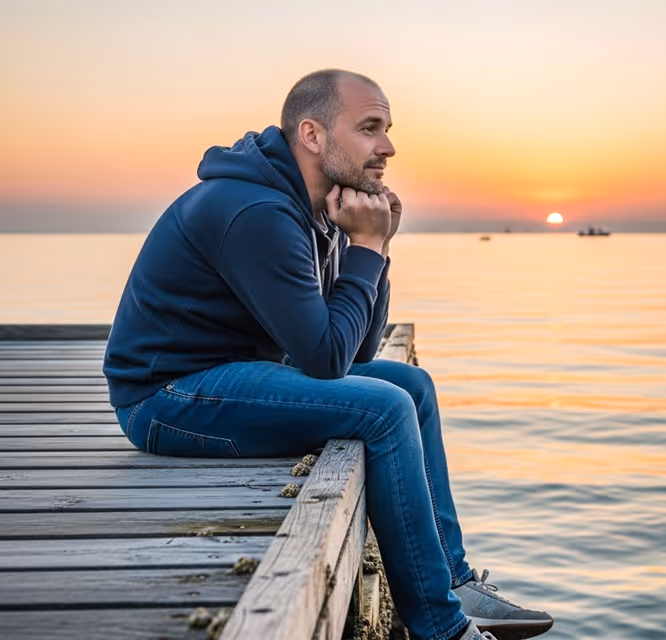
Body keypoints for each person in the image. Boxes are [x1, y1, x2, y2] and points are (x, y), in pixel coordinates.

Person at [103, 69, 554, 640]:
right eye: (369, 128)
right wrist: (366, 244)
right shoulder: (257, 212)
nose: (387, 147)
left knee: (412, 387)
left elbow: (356, 347)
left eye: (388, 129)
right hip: (165, 398)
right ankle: (442, 628)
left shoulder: (318, 208)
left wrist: (375, 247)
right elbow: (324, 360)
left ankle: (453, 580)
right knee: (385, 408)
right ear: (312, 135)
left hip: (236, 375)